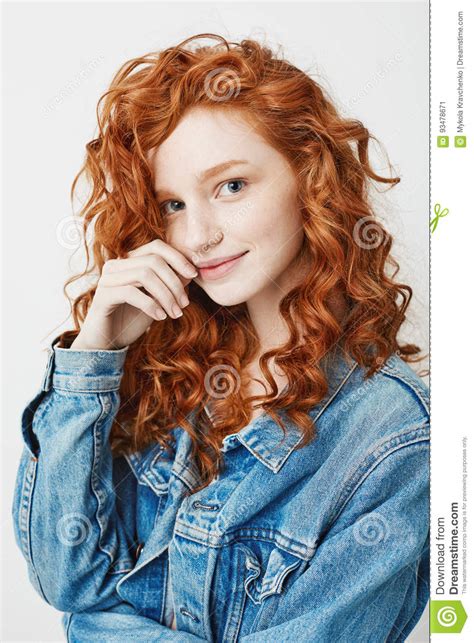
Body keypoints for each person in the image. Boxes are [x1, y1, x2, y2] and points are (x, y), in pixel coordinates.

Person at [12, 33, 429, 642]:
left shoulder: (392, 435)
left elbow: (84, 617)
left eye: (231, 186)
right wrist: (94, 355)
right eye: (173, 204)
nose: (199, 235)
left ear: (309, 177)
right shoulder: (170, 360)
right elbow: (66, 580)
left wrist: (94, 630)